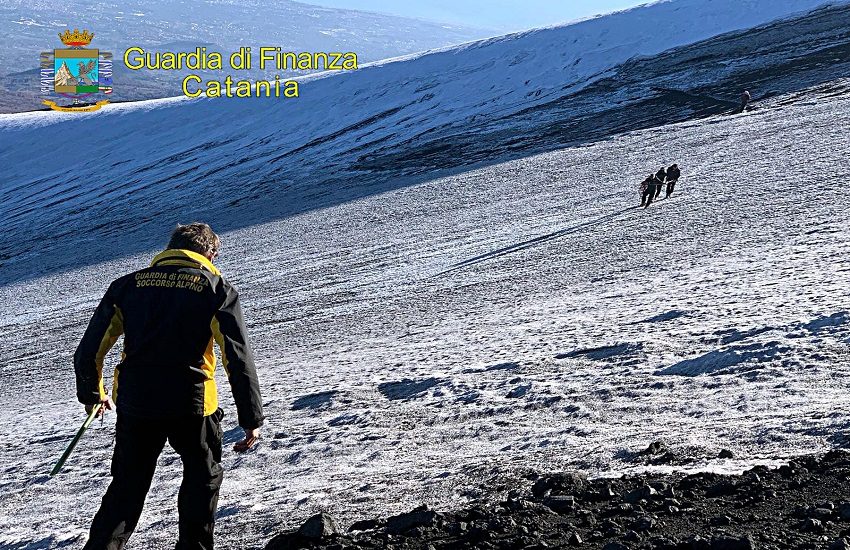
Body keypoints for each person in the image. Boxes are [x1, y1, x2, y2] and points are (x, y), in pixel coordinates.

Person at [75, 222, 264, 550]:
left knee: (126, 489)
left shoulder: (127, 287)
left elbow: (89, 350)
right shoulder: (216, 289)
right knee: (202, 480)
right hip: (192, 405)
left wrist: (94, 395)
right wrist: (251, 417)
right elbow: (237, 356)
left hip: (137, 403)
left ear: (170, 248)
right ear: (210, 253)